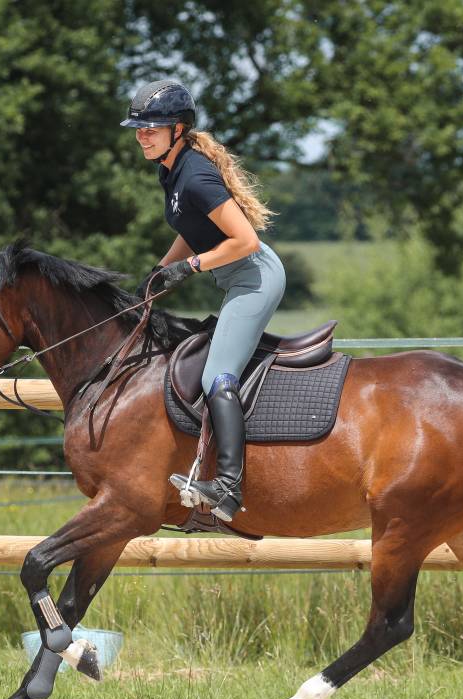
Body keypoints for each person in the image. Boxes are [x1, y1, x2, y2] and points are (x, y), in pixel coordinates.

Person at [121, 79, 286, 523]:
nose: (141, 135)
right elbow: (190, 228)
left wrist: (189, 268)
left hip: (254, 279)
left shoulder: (195, 174)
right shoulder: (170, 170)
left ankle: (229, 487)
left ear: (178, 129)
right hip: (236, 277)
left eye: (150, 127)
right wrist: (160, 271)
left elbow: (246, 241)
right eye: (138, 127)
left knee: (218, 373)